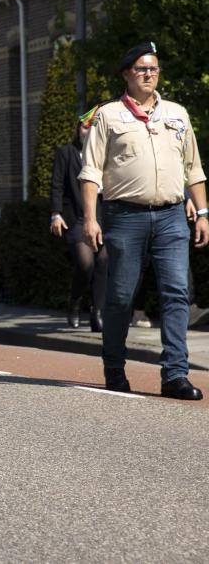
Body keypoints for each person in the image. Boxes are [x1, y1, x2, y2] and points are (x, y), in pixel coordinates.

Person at [80, 42, 206, 400]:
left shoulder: (178, 114)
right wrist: (91, 218)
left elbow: (193, 168)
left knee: (177, 293)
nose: (149, 74)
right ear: (126, 74)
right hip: (125, 216)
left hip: (171, 216)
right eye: (141, 69)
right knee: (120, 297)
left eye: (153, 69)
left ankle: (175, 375)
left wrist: (204, 212)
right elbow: (90, 172)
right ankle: (114, 368)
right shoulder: (107, 115)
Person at [50, 118, 108, 331]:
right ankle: (74, 302)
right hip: (77, 217)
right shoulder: (66, 153)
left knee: (104, 261)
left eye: (94, 127)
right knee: (86, 264)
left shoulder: (106, 152)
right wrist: (55, 214)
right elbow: (57, 184)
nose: (89, 131)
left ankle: (97, 312)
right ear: (78, 129)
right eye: (85, 127)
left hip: (104, 216)